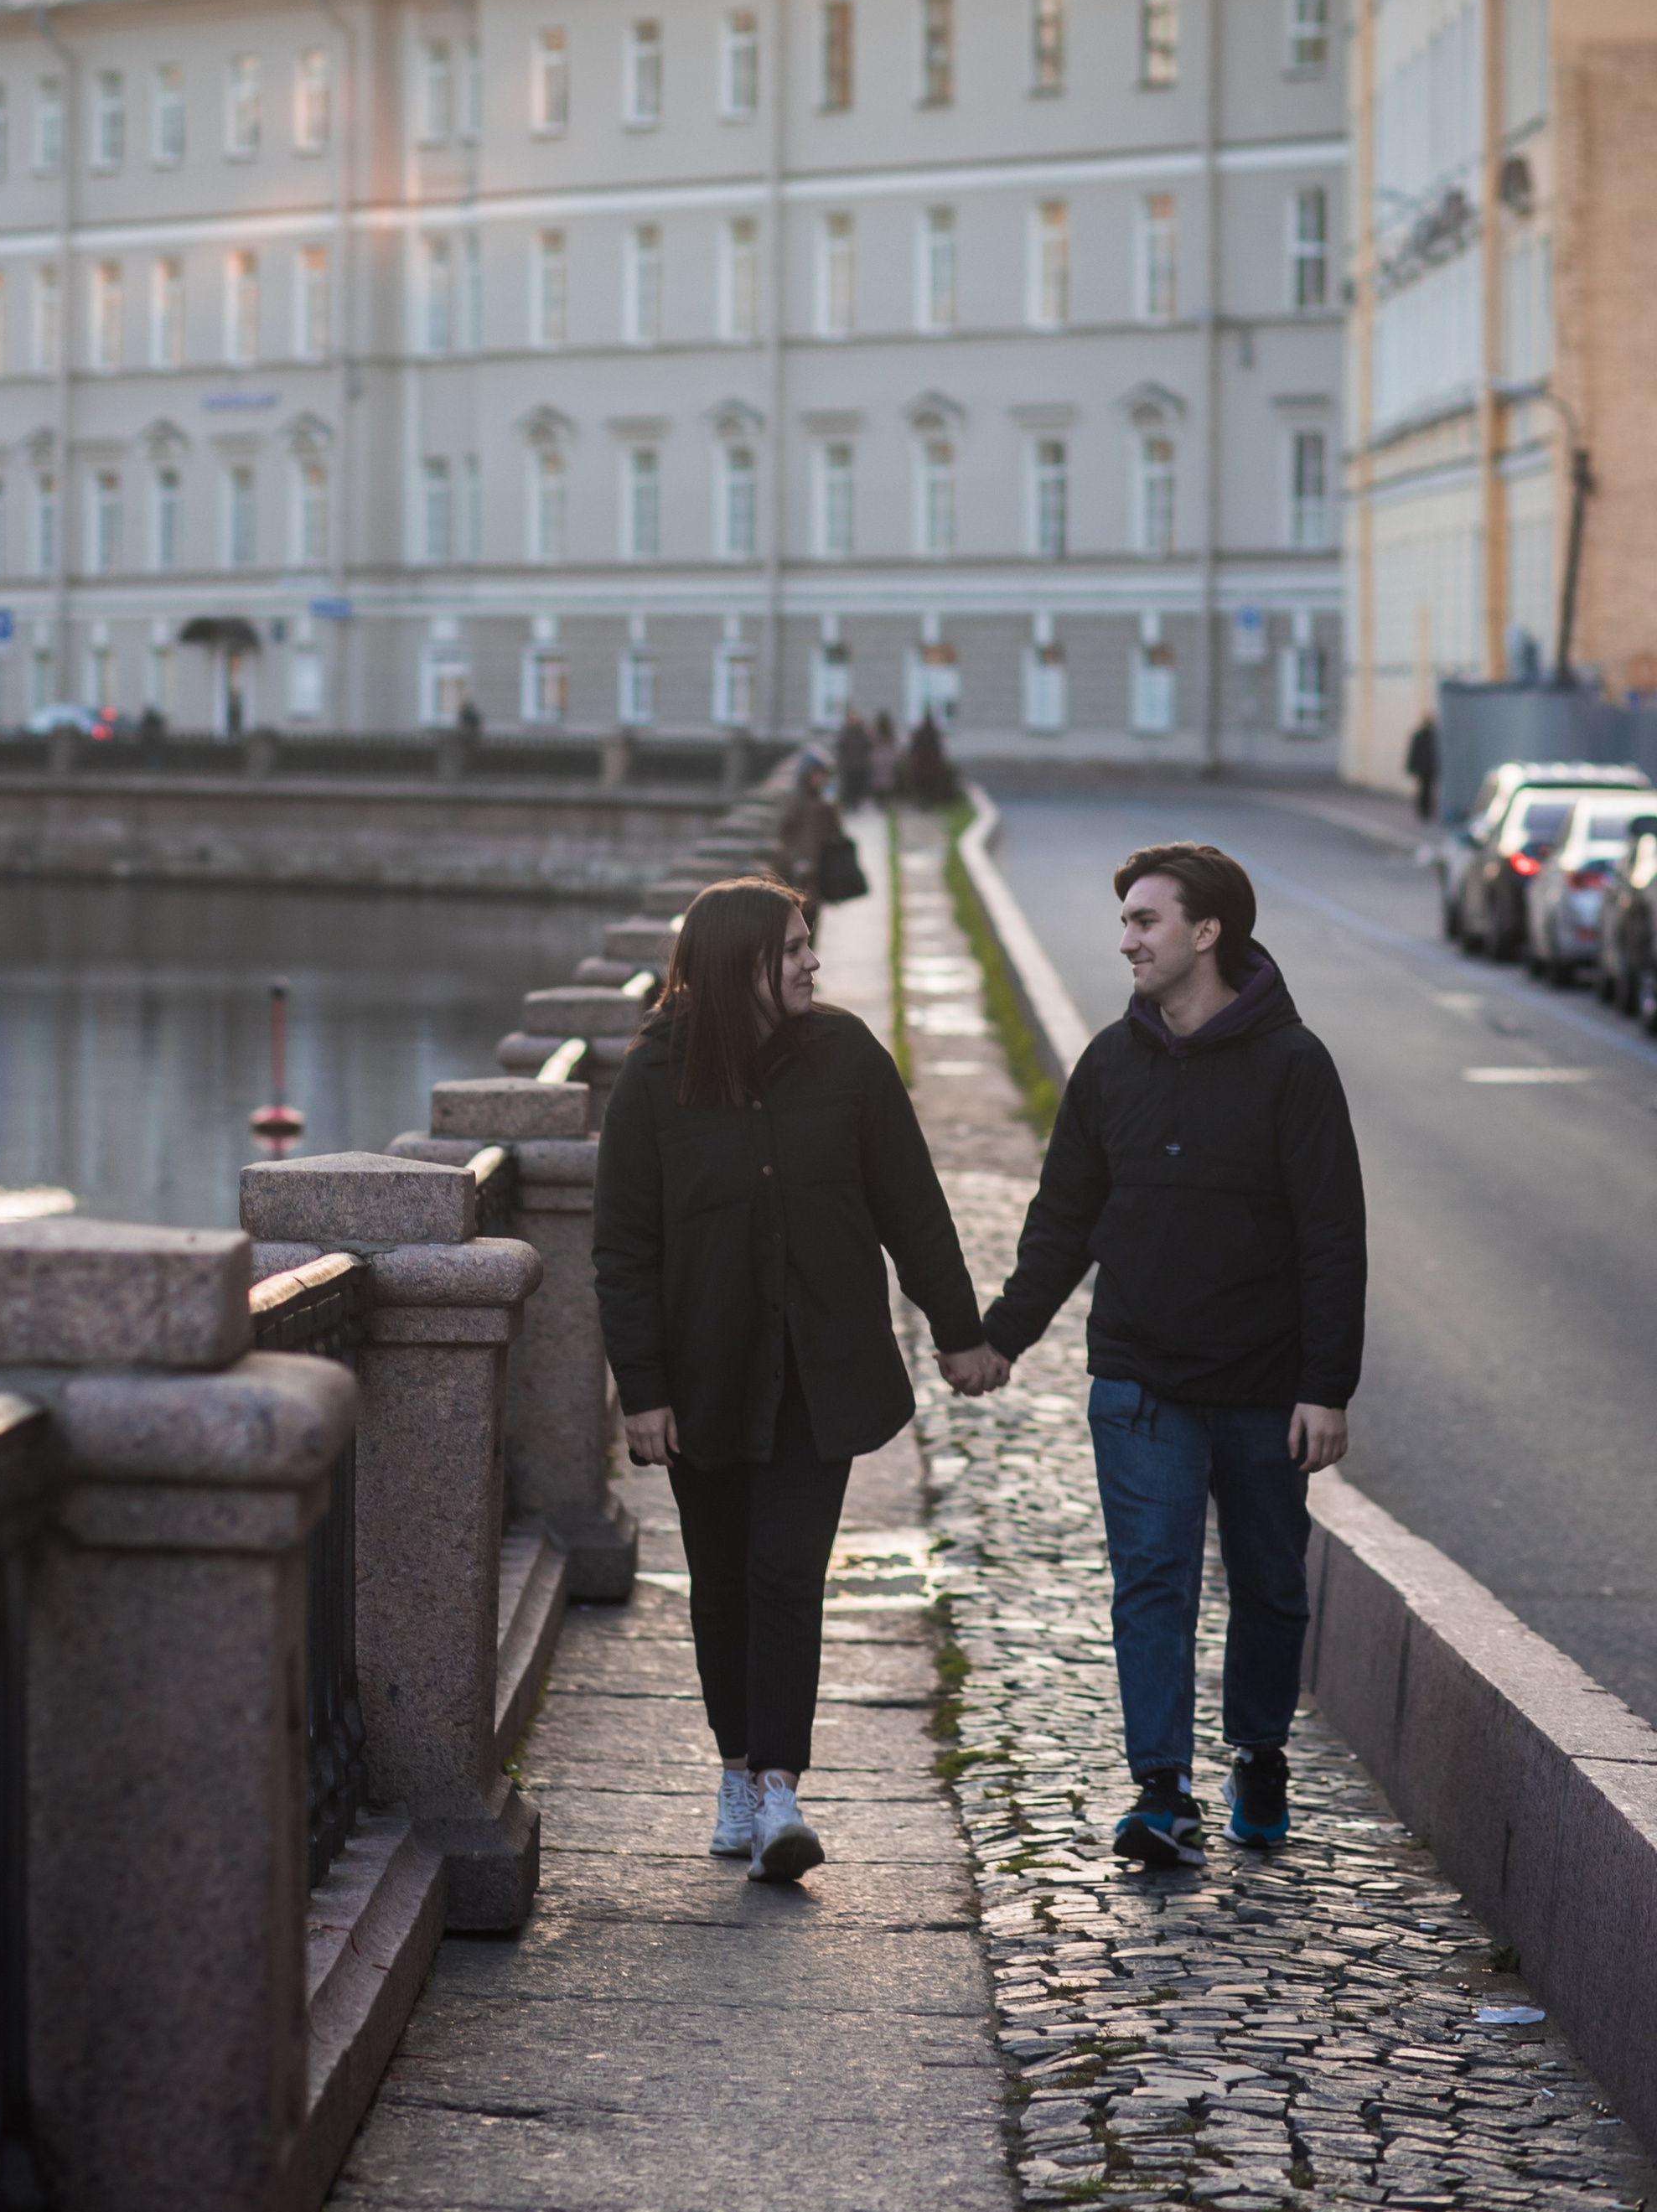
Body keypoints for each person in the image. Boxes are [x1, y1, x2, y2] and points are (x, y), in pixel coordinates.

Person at [593, 878, 1000, 1881]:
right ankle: (734, 1768)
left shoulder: (849, 1057)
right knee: (720, 1586)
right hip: (704, 1376)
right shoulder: (653, 1077)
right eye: (792, 950)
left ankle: (779, 1789)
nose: (812, 962)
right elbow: (623, 1246)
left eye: (808, 945)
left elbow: (913, 1205)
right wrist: (640, 1389)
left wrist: (960, 1333)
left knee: (784, 1576)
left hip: (819, 1370)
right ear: (739, 968)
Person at [972, 842, 1365, 1868]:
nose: (1128, 939)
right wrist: (1002, 1335)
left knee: (1270, 1584)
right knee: (1151, 1582)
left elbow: (1332, 1235)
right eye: (1127, 921)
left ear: (1207, 934)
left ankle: (1258, 1752)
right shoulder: (1111, 1061)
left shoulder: (1294, 1065)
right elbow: (1063, 1219)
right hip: (1140, 1377)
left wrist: (1325, 1388)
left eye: (1147, 921)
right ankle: (1160, 1792)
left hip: (1263, 1386)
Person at [774, 755, 847, 945]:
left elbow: (835, 835)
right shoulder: (795, 802)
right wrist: (794, 859)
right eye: (816, 775)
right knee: (792, 922)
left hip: (817, 872)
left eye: (822, 776)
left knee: (811, 923)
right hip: (794, 871)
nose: (819, 780)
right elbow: (783, 833)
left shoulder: (825, 805)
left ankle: (807, 964)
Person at [903, 708, 955, 808]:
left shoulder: (921, 733)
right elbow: (939, 750)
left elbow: (913, 749)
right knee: (929, 786)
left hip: (921, 765)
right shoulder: (933, 734)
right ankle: (928, 803)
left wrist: (909, 759)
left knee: (922, 786)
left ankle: (924, 803)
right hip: (931, 765)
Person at [835, 708, 873, 811]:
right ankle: (849, 805)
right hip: (849, 765)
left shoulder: (862, 733)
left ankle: (857, 805)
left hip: (860, 765)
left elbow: (869, 745)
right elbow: (840, 746)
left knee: (859, 787)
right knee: (848, 787)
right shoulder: (845, 733)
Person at [1405, 712, 1440, 825]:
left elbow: (1413, 752)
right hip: (1429, 767)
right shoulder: (1434, 736)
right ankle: (1426, 811)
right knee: (1427, 789)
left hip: (1423, 768)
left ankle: (1424, 811)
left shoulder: (1421, 735)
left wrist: (1411, 767)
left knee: (1423, 789)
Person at [869, 710, 899, 797]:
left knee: (882, 779)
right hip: (884, 757)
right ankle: (883, 796)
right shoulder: (887, 732)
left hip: (881, 758)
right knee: (882, 779)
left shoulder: (877, 732)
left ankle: (882, 796)